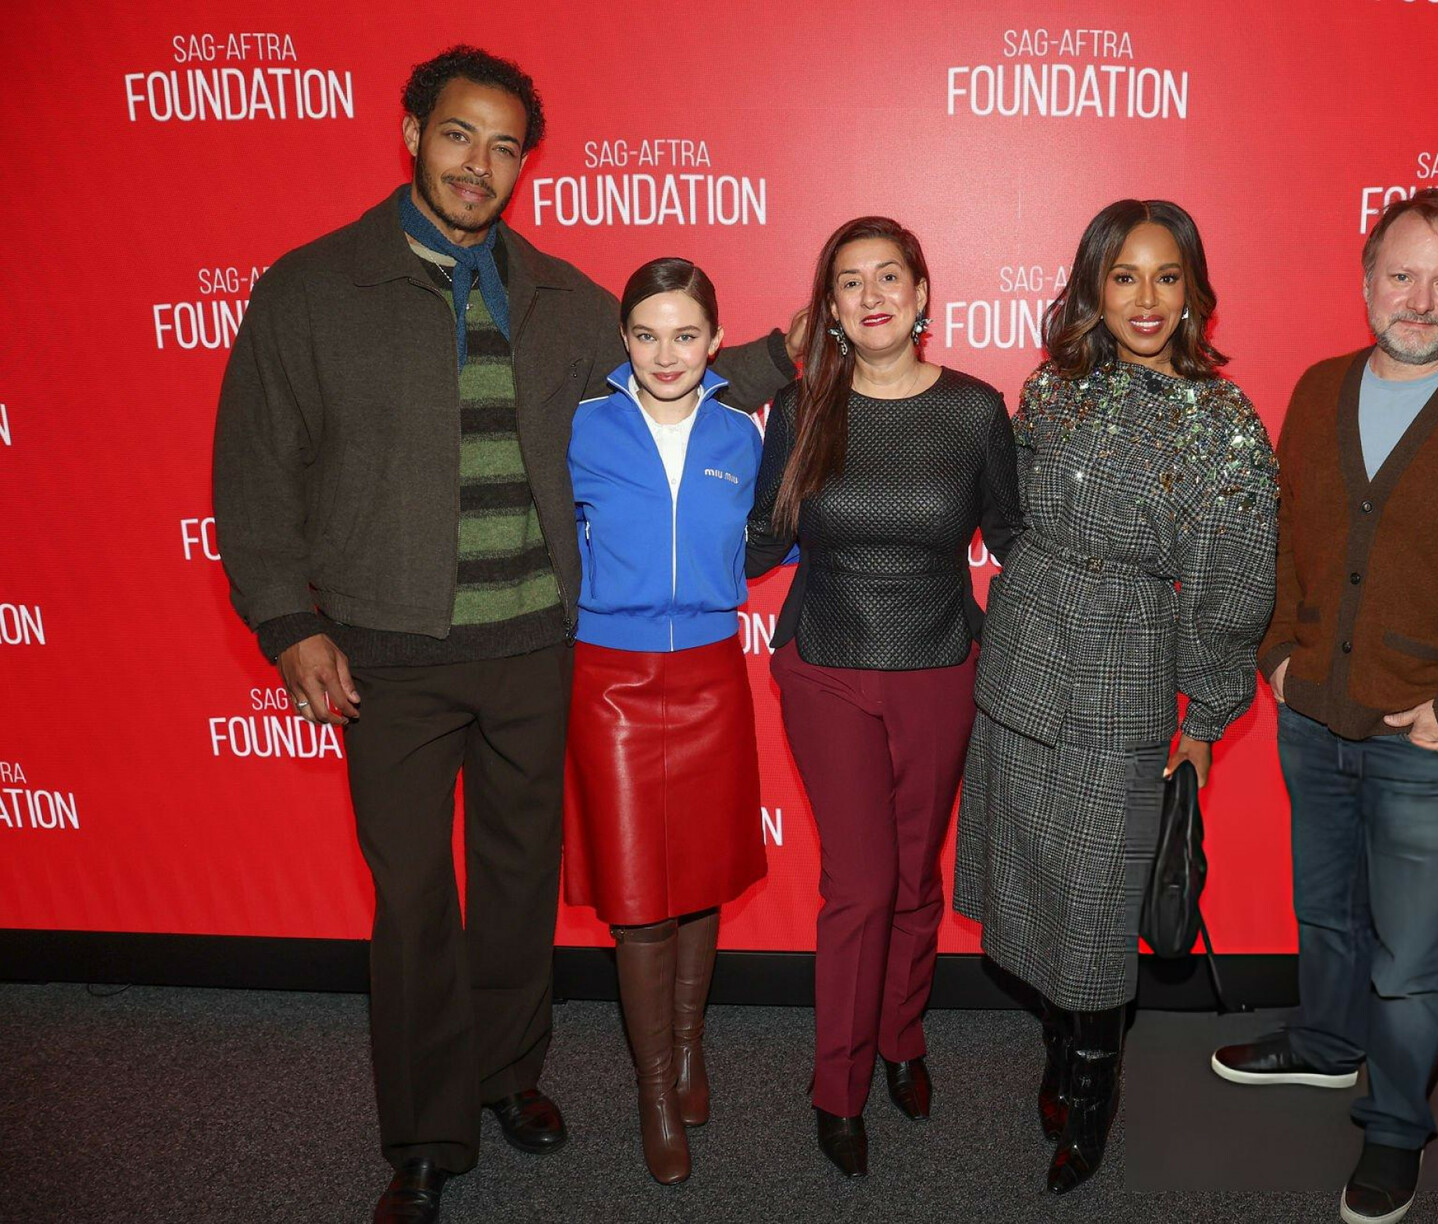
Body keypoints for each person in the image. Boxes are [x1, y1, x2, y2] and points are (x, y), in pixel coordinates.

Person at [211, 46, 796, 1224]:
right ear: (410, 135)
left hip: (537, 647)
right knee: (415, 897)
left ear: (525, 163)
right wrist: (286, 622)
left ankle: (508, 1075)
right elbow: (257, 469)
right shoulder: (313, 290)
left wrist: (799, 349)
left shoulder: (564, 300)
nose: (479, 163)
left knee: (521, 885)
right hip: (386, 657)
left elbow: (675, 379)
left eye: (504, 146)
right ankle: (428, 1137)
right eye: (457, 135)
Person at [1209, 188, 1438, 1224]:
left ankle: (1395, 1126)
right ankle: (1328, 1046)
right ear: (1367, 279)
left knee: (1412, 963)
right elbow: (1284, 541)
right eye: (1402, 275)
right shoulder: (1319, 388)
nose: (1420, 300)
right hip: (1312, 719)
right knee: (1326, 916)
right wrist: (1278, 659)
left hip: (1428, 743)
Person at [954, 199, 1278, 1193]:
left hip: (1124, 675)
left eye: (1167, 277)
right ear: (1094, 286)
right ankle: (1061, 1050)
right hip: (1021, 661)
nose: (1146, 299)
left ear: (1193, 292)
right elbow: (1008, 508)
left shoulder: (1223, 424)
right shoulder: (1052, 389)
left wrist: (1205, 719)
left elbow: (1234, 586)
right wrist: (1036, 586)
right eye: (1125, 276)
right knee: (1032, 882)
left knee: (1096, 905)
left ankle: (1093, 1087)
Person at [746, 216, 1021, 1178]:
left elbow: (1014, 540)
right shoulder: (801, 407)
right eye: (850, 282)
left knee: (914, 880)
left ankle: (903, 1038)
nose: (872, 296)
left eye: (889, 276)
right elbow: (760, 540)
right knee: (860, 886)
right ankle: (839, 1088)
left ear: (922, 294)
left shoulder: (976, 411)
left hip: (941, 666)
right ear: (829, 307)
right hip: (825, 665)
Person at [564, 258, 769, 1185]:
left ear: (715, 341)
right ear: (624, 340)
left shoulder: (742, 432)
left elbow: (770, 538)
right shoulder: (582, 426)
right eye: (646, 334)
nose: (666, 353)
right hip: (610, 679)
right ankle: (654, 1091)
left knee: (702, 879)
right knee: (640, 898)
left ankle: (689, 1049)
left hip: (713, 675)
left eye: (685, 334)